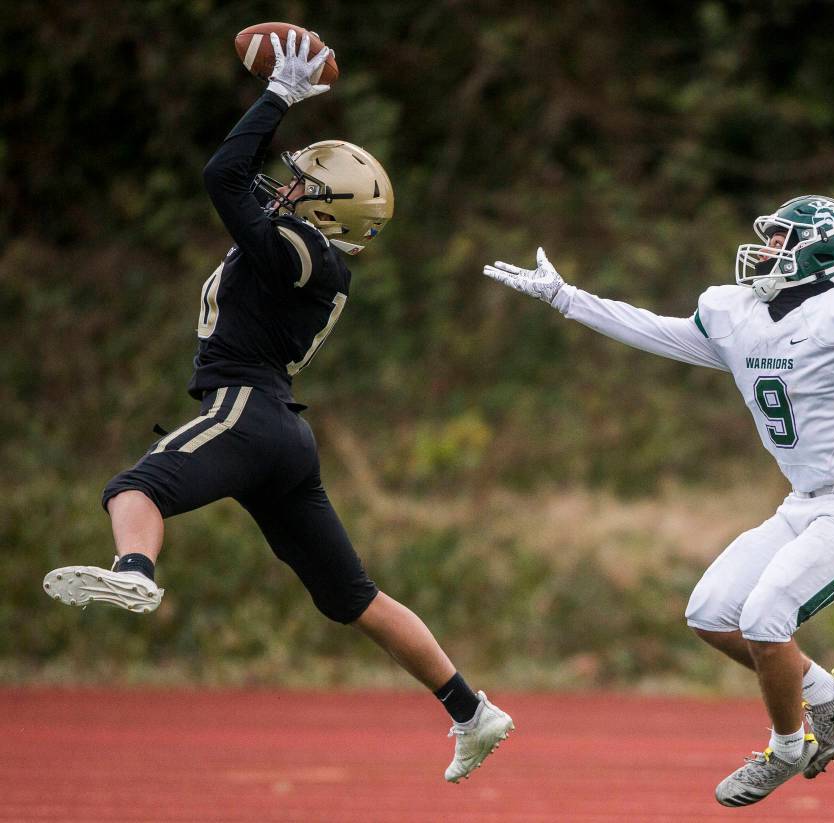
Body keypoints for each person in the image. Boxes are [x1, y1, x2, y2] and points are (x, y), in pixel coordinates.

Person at [43, 29, 512, 784]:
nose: (283, 186)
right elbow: (238, 184)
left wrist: (278, 96)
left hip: (246, 409)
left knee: (134, 488)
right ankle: (471, 709)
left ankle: (135, 568)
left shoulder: (300, 249)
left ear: (324, 210)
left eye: (299, 183)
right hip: (283, 434)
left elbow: (221, 176)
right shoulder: (313, 252)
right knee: (353, 597)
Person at [482, 196, 834, 806]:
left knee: (765, 618)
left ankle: (788, 748)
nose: (767, 248)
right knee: (713, 613)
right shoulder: (737, 314)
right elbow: (650, 329)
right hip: (803, 502)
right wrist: (566, 298)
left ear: (822, 252)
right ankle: (828, 695)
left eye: (782, 239)